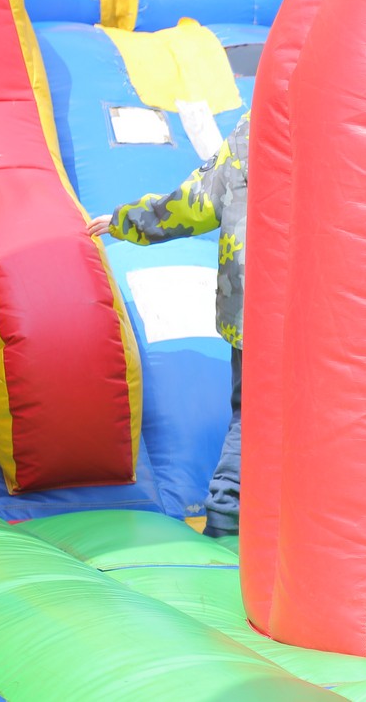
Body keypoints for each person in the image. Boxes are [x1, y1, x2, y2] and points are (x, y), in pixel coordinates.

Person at [87, 115, 250, 538]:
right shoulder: (353, 120)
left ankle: (230, 513)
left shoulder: (256, 128)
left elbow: (196, 202)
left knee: (253, 413)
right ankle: (229, 514)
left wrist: (126, 220)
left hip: (254, 304)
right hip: (329, 309)